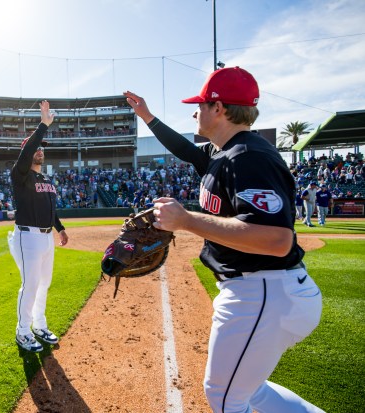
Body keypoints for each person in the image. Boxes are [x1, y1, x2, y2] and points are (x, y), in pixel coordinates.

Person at [125, 67, 323, 413]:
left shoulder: (249, 157)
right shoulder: (225, 154)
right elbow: (187, 151)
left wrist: (186, 220)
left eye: (200, 105)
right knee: (250, 389)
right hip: (263, 290)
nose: (194, 111)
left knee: (224, 397)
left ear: (219, 108)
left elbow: (277, 240)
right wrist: (148, 117)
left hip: (263, 291)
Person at [8, 100, 68, 353]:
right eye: (36, 149)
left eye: (42, 149)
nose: (40, 151)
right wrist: (43, 126)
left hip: (45, 239)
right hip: (27, 238)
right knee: (30, 284)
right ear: (27, 153)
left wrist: (60, 227)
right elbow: (30, 147)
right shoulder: (20, 174)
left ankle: (39, 325)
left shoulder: (45, 178)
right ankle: (22, 331)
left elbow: (50, 207)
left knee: (44, 283)